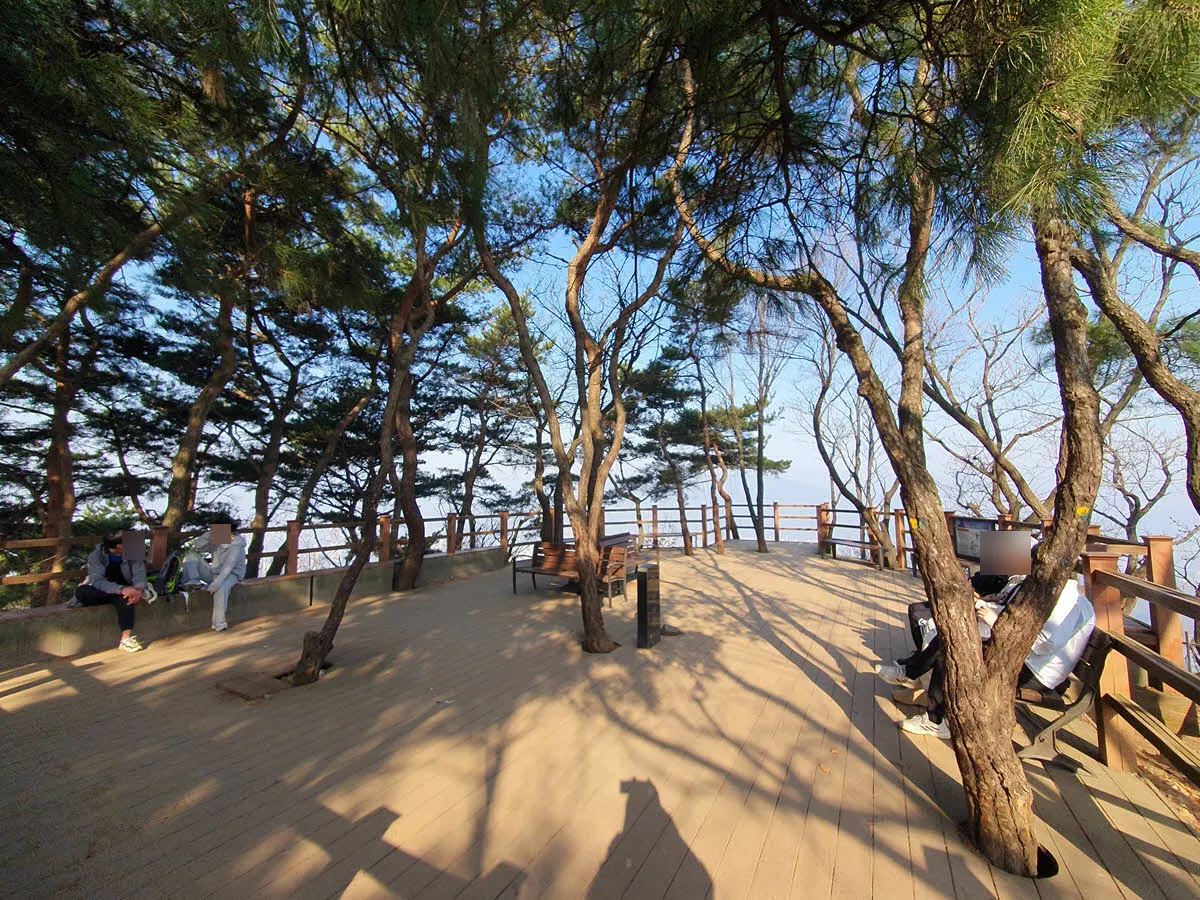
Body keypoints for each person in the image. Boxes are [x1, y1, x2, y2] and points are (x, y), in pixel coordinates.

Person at [897, 576, 1096, 739]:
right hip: (1027, 659)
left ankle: (934, 717)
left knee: (954, 651)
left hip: (1036, 674)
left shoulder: (1065, 600)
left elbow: (1045, 644)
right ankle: (916, 678)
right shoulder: (1060, 594)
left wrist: (997, 624)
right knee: (953, 643)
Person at [68, 532, 148, 652]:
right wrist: (120, 590)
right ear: (119, 546)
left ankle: (126, 639)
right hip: (103, 589)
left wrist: (138, 589)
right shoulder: (96, 555)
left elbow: (139, 573)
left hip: (125, 589)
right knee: (82, 591)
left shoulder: (133, 546)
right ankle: (117, 596)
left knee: (125, 600)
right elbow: (97, 581)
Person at [180, 515, 247, 632]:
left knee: (221, 589)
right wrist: (209, 535)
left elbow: (228, 567)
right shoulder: (216, 539)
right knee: (191, 556)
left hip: (232, 575)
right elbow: (197, 546)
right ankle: (193, 582)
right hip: (214, 572)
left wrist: (215, 585)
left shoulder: (237, 545)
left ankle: (219, 623)